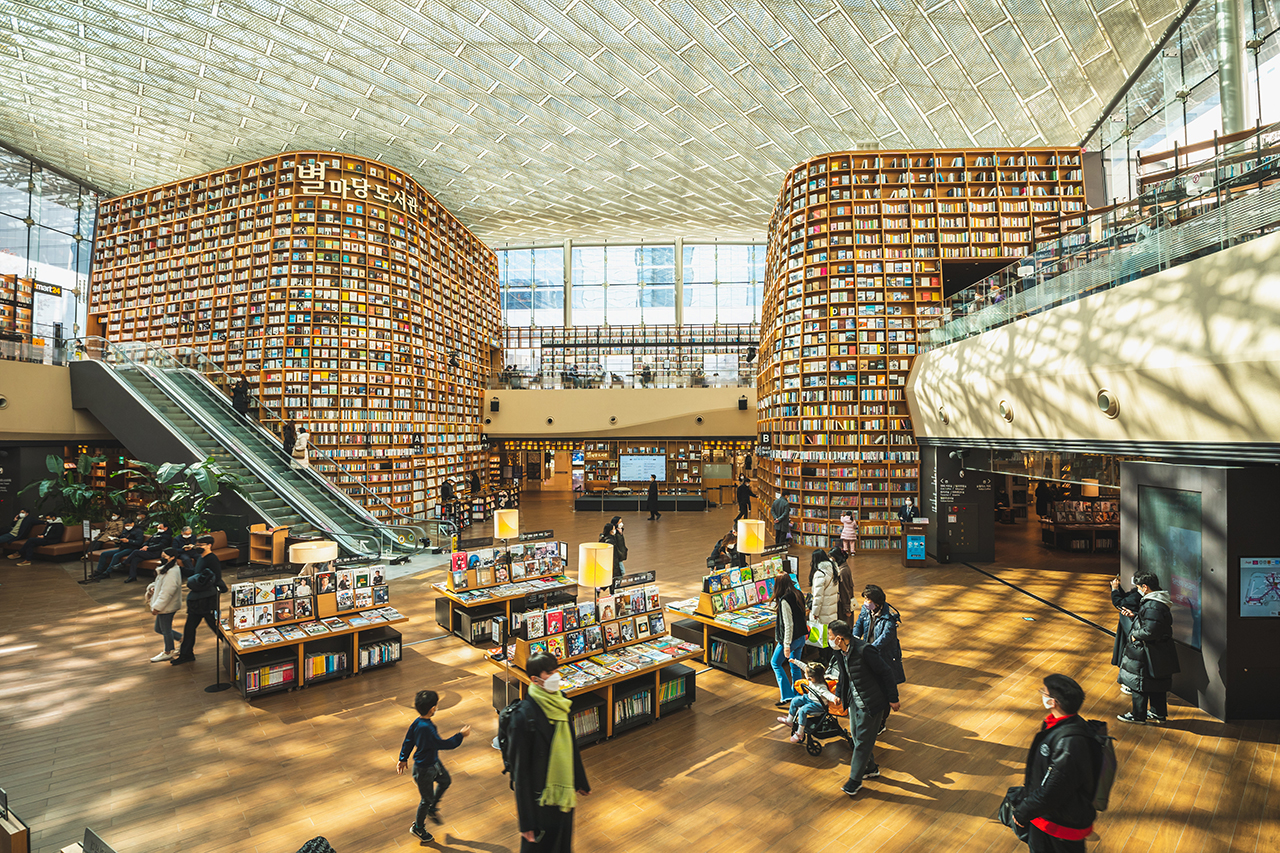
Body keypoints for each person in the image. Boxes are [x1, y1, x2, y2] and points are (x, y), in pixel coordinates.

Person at [508, 651, 591, 852]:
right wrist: (526, 823)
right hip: (540, 798)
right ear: (535, 680)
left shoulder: (562, 701)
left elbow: (571, 745)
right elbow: (521, 772)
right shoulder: (523, 715)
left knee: (562, 843)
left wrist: (580, 781)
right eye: (549, 672)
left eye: (556, 670)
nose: (556, 676)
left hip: (564, 792)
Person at [1012, 674, 1103, 852]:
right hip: (1046, 815)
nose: (1042, 696)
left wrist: (1023, 811)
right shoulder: (1062, 725)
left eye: (1044, 693)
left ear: (1054, 702)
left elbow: (1054, 789)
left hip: (1058, 823)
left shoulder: (1069, 743)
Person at [827, 619, 901, 797]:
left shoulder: (864, 650)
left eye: (829, 636)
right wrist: (838, 692)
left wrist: (893, 699)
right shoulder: (840, 651)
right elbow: (844, 674)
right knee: (856, 736)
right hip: (854, 700)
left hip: (872, 702)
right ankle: (870, 768)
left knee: (862, 742)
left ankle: (855, 780)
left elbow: (886, 672)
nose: (828, 639)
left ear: (838, 638)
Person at [396, 688, 471, 843]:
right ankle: (418, 827)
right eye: (436, 705)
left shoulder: (417, 723)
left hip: (433, 763)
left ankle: (432, 808)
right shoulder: (428, 728)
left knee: (446, 781)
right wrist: (460, 736)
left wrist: (403, 758)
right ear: (432, 709)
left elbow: (408, 740)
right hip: (424, 770)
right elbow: (443, 744)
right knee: (426, 799)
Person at [1116, 572, 1179, 724]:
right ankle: (1158, 713)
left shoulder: (1152, 604)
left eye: (1138, 587)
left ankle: (1138, 715)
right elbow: (1151, 622)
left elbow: (1150, 631)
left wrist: (1134, 635)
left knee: (1138, 683)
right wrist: (1134, 616)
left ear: (1145, 587)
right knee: (1156, 683)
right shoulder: (1157, 602)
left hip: (1146, 651)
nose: (1137, 590)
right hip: (1157, 652)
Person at [853, 584, 906, 731]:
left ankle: (881, 723)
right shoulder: (866, 610)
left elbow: (883, 640)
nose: (865, 602)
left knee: (884, 690)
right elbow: (859, 624)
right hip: (867, 653)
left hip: (883, 658)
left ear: (877, 602)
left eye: (868, 600)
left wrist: (866, 651)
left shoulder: (889, 620)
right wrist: (855, 638)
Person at [172, 536, 226, 665]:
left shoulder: (212, 559)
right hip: (198, 599)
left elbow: (216, 577)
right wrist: (180, 569)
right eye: (197, 544)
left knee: (216, 626)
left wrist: (199, 583)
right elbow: (195, 573)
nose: (197, 547)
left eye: (200, 545)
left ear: (209, 545)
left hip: (207, 599)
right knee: (190, 627)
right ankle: (186, 654)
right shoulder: (201, 558)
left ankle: (234, 648)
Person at [770, 573, 808, 708]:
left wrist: (786, 645)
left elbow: (788, 624)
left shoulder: (785, 600)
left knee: (775, 663)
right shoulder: (798, 593)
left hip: (790, 640)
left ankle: (787, 695)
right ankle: (798, 695)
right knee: (795, 666)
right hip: (801, 637)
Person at [778, 661, 840, 744]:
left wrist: (834, 698)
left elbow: (828, 694)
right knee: (795, 700)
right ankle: (790, 720)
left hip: (818, 705)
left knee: (802, 710)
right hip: (809, 698)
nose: (805, 674)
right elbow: (804, 667)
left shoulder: (821, 686)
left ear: (810, 678)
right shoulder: (813, 677)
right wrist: (795, 661)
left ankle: (800, 732)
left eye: (806, 674)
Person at [146, 548, 185, 662]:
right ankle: (182, 638)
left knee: (165, 629)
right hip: (165, 605)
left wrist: (157, 607)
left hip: (167, 606)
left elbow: (167, 592)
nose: (162, 558)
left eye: (165, 556)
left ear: (172, 557)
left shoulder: (172, 572)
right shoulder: (167, 569)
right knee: (159, 628)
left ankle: (168, 651)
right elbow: (160, 584)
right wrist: (153, 587)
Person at [1108, 574, 1144, 696]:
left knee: (1128, 656)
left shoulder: (1136, 597)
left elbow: (1119, 602)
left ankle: (1128, 684)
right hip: (1138, 632)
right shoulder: (1141, 596)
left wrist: (1114, 590)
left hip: (1132, 632)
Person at [808, 549, 839, 653]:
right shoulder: (833, 569)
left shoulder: (819, 574)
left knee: (822, 636)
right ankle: (830, 657)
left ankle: (823, 658)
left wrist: (815, 612)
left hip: (823, 610)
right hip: (832, 608)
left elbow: (818, 596)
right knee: (830, 634)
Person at [831, 548, 856, 624]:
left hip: (843, 605)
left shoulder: (843, 571)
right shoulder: (843, 568)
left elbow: (845, 590)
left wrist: (846, 609)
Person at [600, 517, 627, 588]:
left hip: (618, 556)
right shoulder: (612, 538)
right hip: (616, 557)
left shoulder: (619, 532)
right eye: (619, 522)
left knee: (619, 573)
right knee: (620, 572)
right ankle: (612, 587)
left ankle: (612, 587)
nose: (621, 523)